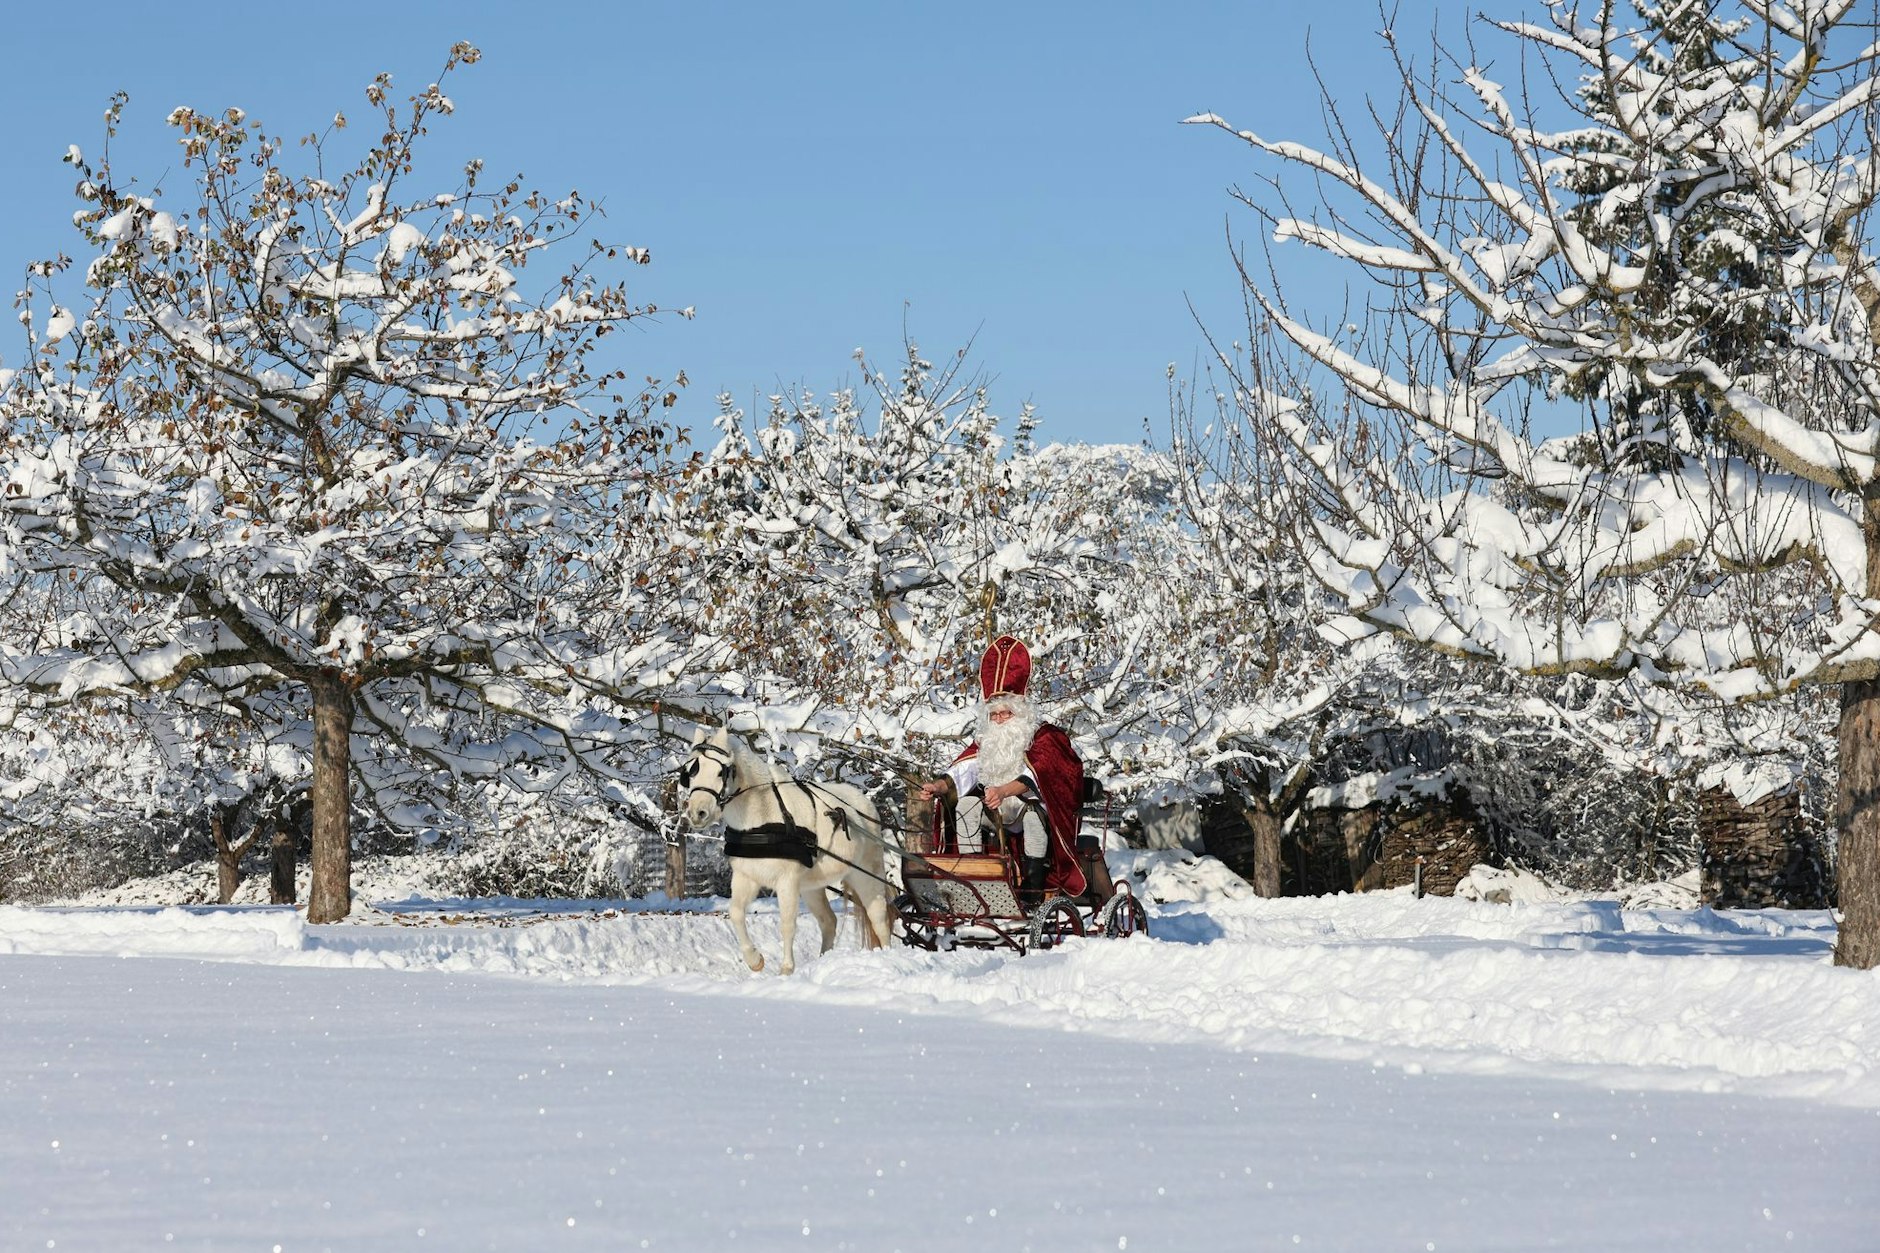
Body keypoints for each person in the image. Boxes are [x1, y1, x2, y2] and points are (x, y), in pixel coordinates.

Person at [919, 635, 1091, 901]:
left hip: (1033, 812)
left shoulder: (1045, 738)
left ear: (1020, 713)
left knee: (1033, 818)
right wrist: (937, 787)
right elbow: (962, 772)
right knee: (965, 806)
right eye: (994, 715)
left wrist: (1004, 790)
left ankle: (1033, 890)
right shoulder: (987, 742)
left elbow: (1040, 774)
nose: (999, 720)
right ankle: (975, 877)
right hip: (997, 811)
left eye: (1005, 714)